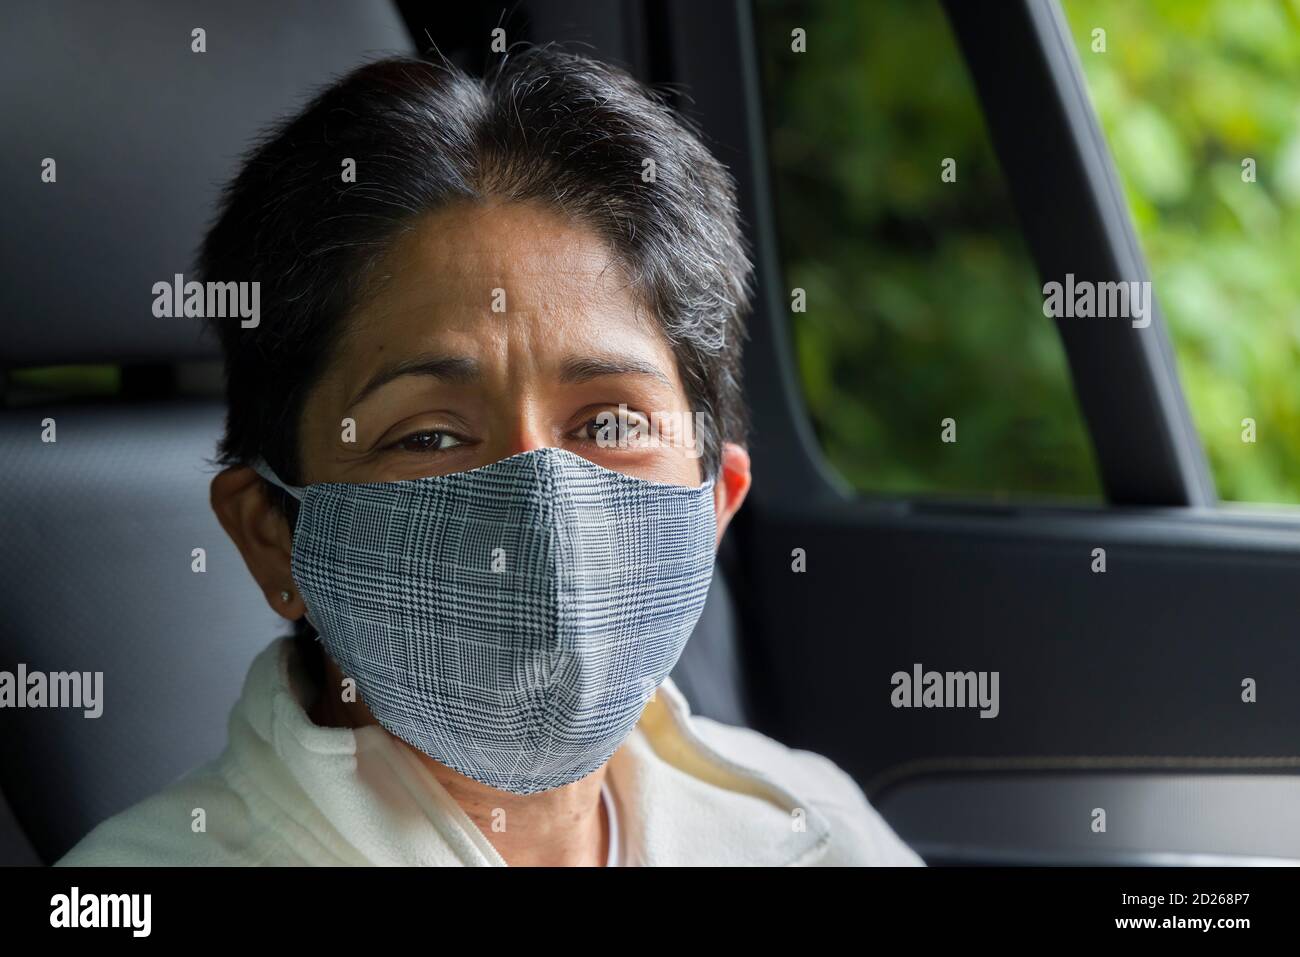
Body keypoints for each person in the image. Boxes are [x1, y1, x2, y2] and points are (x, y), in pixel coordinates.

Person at [56, 46, 922, 867]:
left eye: (610, 425)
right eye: (428, 435)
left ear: (715, 503)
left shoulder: (813, 828)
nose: (537, 501)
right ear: (271, 536)